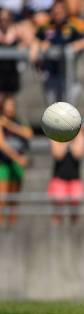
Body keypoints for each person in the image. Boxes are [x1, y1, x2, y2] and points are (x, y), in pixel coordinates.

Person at [30, 0, 84, 105]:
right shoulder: (46, 27)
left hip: (68, 74)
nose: (57, 15)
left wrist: (76, 46)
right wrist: (40, 46)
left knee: (69, 109)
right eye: (55, 13)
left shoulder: (74, 25)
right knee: (52, 109)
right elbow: (35, 42)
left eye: (60, 12)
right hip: (50, 74)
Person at [0, 96, 32, 224]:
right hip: (3, 163)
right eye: (8, 105)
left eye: (12, 105)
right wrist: (18, 158)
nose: (10, 108)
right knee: (2, 197)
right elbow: (2, 144)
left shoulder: (19, 121)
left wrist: (9, 124)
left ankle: (12, 223)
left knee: (14, 197)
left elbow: (28, 133)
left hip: (17, 164)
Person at [48, 128, 84, 225]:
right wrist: (67, 140)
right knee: (57, 213)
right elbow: (58, 154)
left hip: (74, 178)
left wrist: (69, 140)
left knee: (75, 213)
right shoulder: (55, 132)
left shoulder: (79, 132)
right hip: (59, 177)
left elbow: (78, 154)